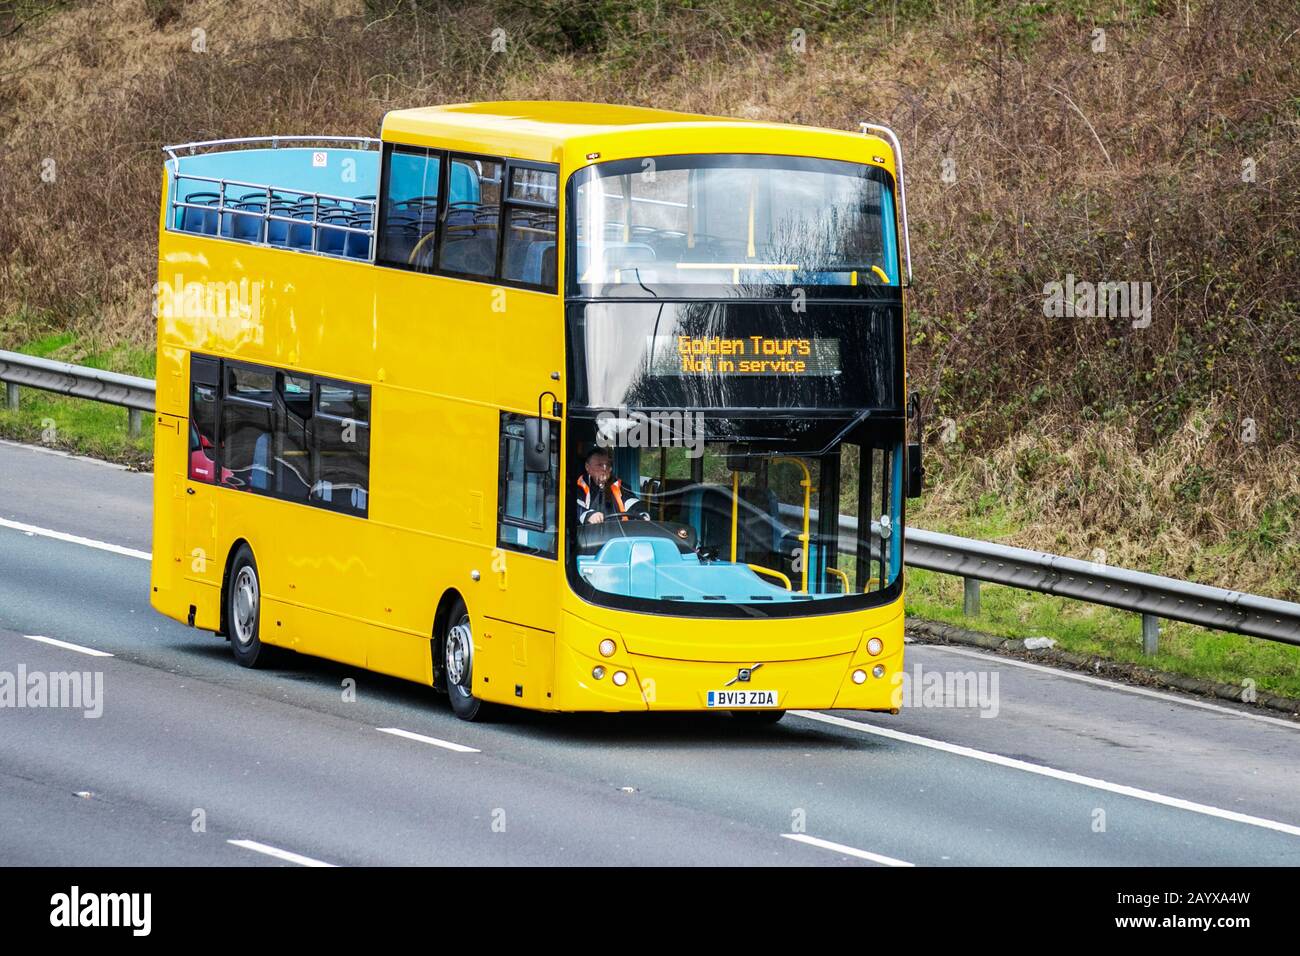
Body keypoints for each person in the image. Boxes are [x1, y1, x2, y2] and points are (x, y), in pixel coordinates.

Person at [575, 447, 650, 524]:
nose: (605, 469)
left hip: (617, 532)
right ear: (587, 467)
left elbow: (631, 501)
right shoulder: (579, 486)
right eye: (599, 465)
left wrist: (641, 513)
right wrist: (589, 515)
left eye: (607, 465)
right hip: (588, 533)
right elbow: (575, 507)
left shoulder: (618, 486)